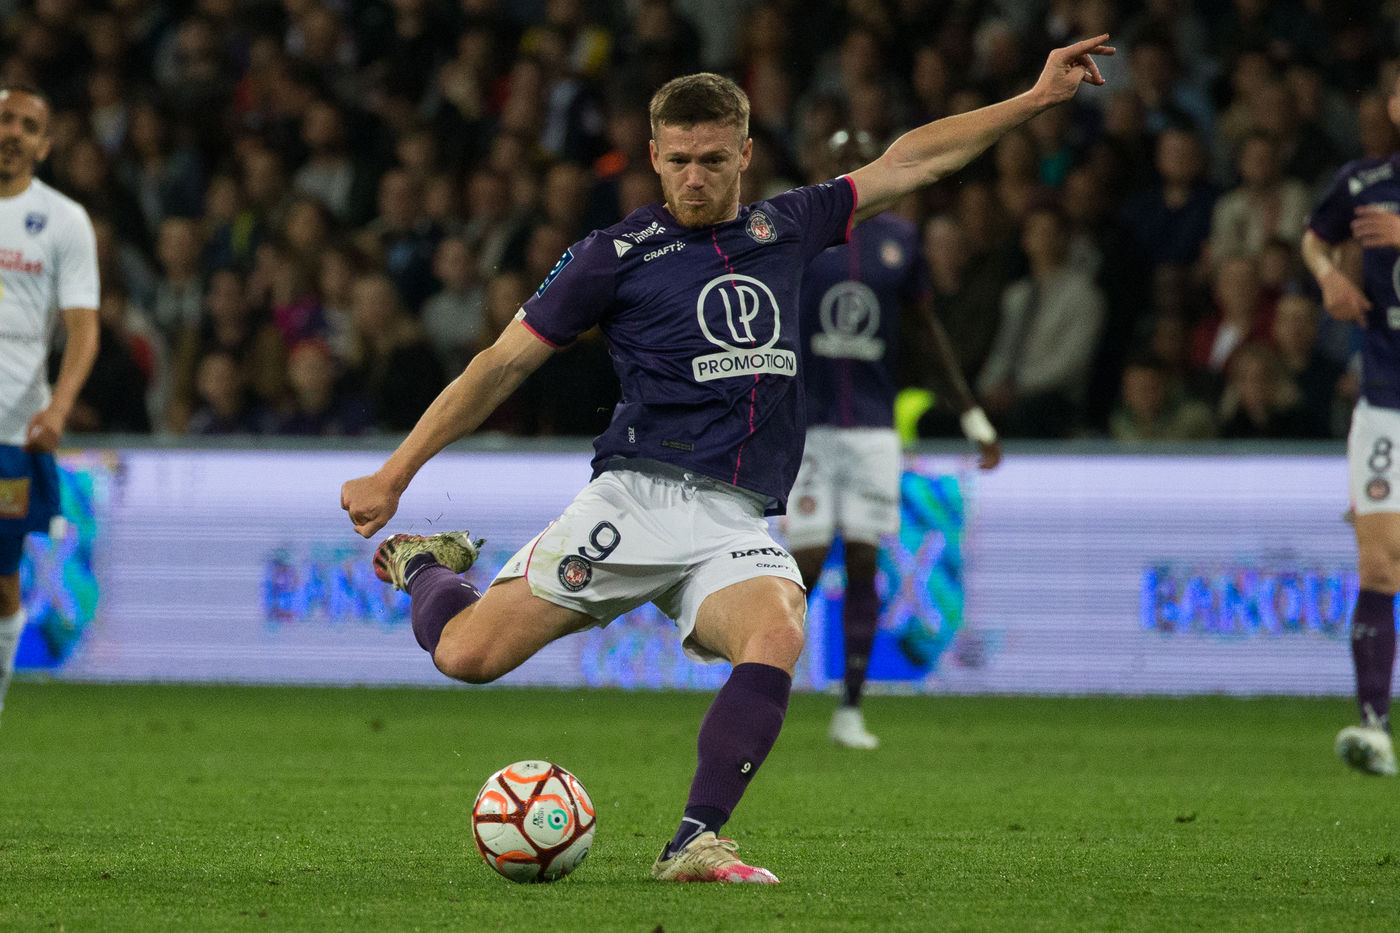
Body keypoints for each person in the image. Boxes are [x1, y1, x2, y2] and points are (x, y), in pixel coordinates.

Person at [342, 37, 1113, 881]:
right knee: (466, 656)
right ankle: (423, 564)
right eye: (678, 161)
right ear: (652, 157)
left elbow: (910, 162)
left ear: (745, 153)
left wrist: (1034, 99)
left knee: (777, 629)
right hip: (635, 500)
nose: (695, 178)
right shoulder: (613, 254)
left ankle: (694, 840)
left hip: (733, 518)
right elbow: (500, 364)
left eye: (713, 160)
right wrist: (396, 473)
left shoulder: (786, 226)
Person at [787, 128, 1001, 751]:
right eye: (839, 160)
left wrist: (971, 414)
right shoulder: (797, 234)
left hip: (874, 429)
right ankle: (759, 686)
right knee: (802, 564)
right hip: (809, 426)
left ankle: (850, 708)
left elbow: (925, 330)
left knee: (863, 560)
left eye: (860, 159)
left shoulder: (900, 241)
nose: (850, 170)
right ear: (822, 167)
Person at [1301, 71, 1400, 777]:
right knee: (1379, 563)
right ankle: (1374, 728)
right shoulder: (1364, 183)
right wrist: (1328, 275)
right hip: (1386, 401)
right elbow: (1315, 237)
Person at [0, 86, 101, 724]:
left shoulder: (62, 220)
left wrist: (58, 411)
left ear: (44, 145)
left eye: (27, 125)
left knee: (2, 580)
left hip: (13, 432)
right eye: (4, 119)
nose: (12, 132)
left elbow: (83, 329)